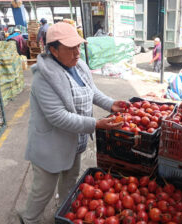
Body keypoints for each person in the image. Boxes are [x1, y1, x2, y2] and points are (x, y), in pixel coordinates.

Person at [18, 22, 128, 224]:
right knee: (43, 189)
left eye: (78, 46)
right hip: (49, 146)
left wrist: (111, 104)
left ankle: (62, 214)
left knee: (70, 182)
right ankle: (29, 219)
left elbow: (91, 91)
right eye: (70, 48)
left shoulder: (79, 66)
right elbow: (58, 116)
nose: (77, 52)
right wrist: (96, 123)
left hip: (74, 141)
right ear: (53, 50)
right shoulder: (43, 78)